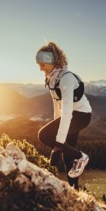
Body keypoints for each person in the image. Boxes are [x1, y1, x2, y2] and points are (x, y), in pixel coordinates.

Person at [36, 41, 92, 189]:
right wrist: (58, 126)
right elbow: (57, 104)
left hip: (81, 115)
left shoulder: (66, 78)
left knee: (44, 135)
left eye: (42, 64)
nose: (40, 68)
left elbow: (67, 111)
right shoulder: (51, 78)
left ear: (52, 61)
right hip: (70, 115)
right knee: (69, 157)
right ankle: (74, 191)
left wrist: (58, 144)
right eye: (39, 65)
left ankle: (81, 156)